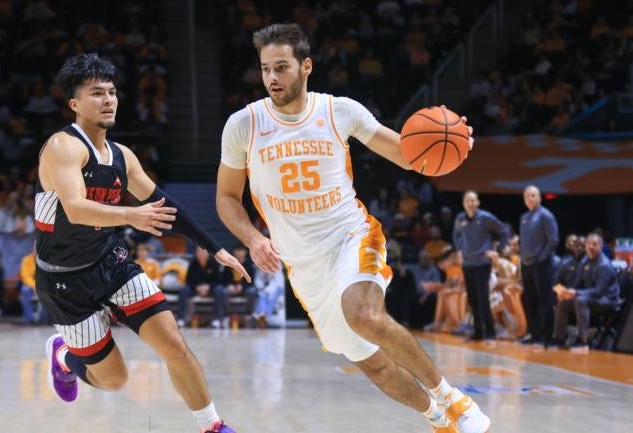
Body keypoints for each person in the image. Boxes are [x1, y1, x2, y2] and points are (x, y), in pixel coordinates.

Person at [215, 23, 489, 433]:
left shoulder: (339, 111)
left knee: (363, 314)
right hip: (303, 265)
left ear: (306, 66)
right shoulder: (244, 125)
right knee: (373, 363)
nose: (272, 78)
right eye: (266, 69)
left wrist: (455, 142)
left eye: (282, 67)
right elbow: (226, 198)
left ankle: (453, 399)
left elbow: (409, 155)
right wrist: (253, 239)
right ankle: (437, 418)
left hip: (350, 235)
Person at [36, 54, 246, 433]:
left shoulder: (122, 156)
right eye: (96, 93)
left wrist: (215, 248)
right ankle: (65, 357)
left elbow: (166, 208)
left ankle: (212, 426)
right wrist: (132, 215)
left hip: (112, 263)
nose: (108, 100)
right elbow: (77, 208)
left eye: (112, 92)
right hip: (64, 279)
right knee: (115, 380)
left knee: (174, 345)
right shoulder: (62, 147)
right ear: (75, 104)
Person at [453, 190, 508, 343]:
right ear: (464, 203)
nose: (470, 204)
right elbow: (456, 235)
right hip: (467, 264)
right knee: (473, 300)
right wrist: (459, 250)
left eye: (473, 201)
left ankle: (490, 333)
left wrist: (497, 250)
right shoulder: (460, 218)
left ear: (478, 202)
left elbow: (504, 232)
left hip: (483, 264)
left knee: (483, 299)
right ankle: (478, 332)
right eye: (467, 201)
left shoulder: (486, 218)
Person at [553, 232, 620, 353]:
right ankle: (560, 337)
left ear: (601, 246)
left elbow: (599, 291)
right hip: (591, 297)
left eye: (595, 244)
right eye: (589, 243)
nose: (591, 247)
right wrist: (567, 293)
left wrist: (576, 293)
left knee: (580, 300)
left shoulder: (604, 265)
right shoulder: (585, 262)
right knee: (563, 301)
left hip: (608, 299)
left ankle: (583, 341)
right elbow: (578, 285)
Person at [519, 185, 559, 348]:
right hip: (526, 264)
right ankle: (535, 335)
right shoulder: (524, 217)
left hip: (541, 264)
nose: (530, 198)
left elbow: (553, 240)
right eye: (527, 196)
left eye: (533, 195)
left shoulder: (546, 216)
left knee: (544, 301)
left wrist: (541, 258)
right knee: (530, 301)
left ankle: (547, 336)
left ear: (539, 198)